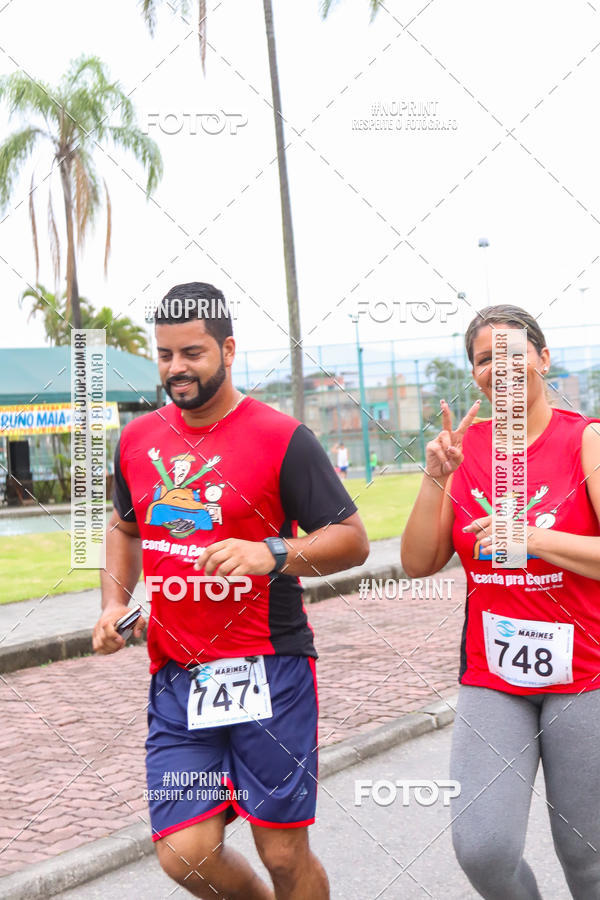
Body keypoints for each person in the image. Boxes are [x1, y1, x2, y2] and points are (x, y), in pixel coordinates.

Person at [92, 282, 368, 900]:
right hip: (177, 677)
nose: (176, 369)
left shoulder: (281, 438)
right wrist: (114, 602)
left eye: (192, 353)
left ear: (229, 349)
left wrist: (270, 553)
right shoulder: (138, 440)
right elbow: (126, 527)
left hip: (269, 671)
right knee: (185, 854)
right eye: (165, 355)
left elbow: (351, 540)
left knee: (281, 850)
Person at [400, 304, 600, 899]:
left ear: (542, 358)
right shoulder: (466, 448)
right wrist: (436, 476)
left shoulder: (584, 439)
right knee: (483, 849)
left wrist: (533, 537)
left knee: (587, 858)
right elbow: (418, 562)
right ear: (476, 374)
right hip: (494, 676)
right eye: (485, 359)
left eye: (513, 352)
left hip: (587, 674)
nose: (500, 367)